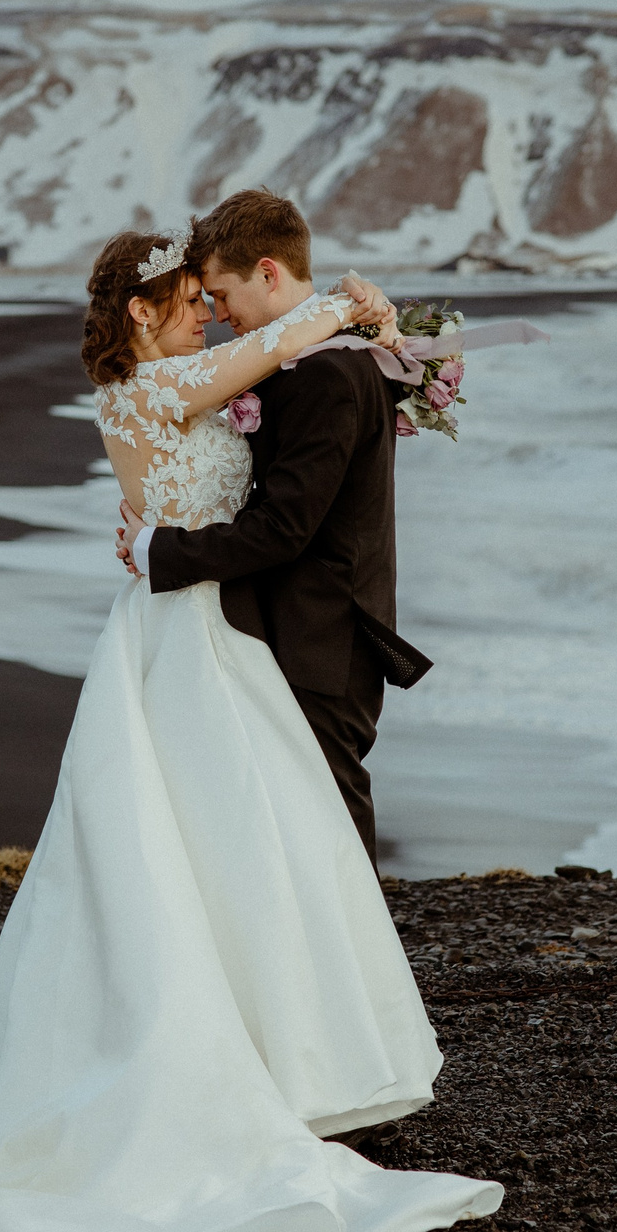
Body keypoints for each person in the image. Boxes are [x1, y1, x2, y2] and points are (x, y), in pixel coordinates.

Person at [0, 221, 501, 1232]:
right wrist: (353, 308)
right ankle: (216, 1074)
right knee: (195, 852)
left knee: (247, 851)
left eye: (212, 299)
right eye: (187, 297)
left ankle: (284, 1060)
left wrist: (371, 342)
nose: (206, 311)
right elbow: (268, 356)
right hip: (181, 637)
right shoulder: (146, 389)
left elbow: (265, 419)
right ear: (138, 310)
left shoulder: (189, 381)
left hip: (214, 628)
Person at [118, 188, 429, 855]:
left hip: (323, 634)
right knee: (292, 830)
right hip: (288, 630)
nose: (220, 315)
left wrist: (159, 548)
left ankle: (360, 963)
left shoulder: (325, 374)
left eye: (223, 295)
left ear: (268, 272)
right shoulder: (309, 362)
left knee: (331, 828)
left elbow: (287, 527)